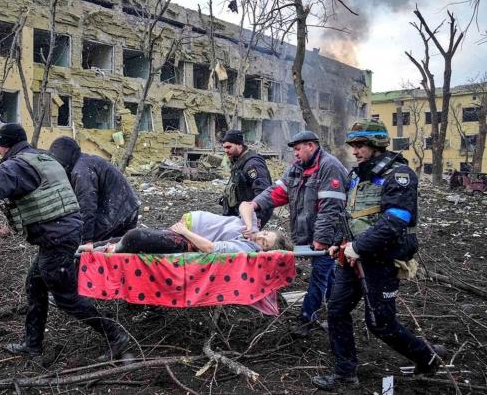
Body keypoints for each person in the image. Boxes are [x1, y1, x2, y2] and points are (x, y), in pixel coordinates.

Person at [0, 124, 128, 361]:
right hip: (61, 233)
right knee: (35, 285)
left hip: (57, 237)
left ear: (7, 146)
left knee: (66, 297)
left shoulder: (17, 167)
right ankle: (32, 345)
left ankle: (115, 335)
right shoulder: (42, 158)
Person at [312, 119, 446, 390]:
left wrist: (358, 247)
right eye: (353, 145)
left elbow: (396, 220)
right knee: (337, 310)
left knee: (380, 324)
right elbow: (350, 215)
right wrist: (340, 242)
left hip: (381, 259)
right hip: (352, 257)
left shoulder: (399, 175)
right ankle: (345, 374)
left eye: (360, 145)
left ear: (376, 144)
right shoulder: (357, 175)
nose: (355, 150)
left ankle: (428, 358)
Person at [240, 130, 348, 336]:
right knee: (328, 274)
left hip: (330, 234)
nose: (295, 154)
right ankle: (337, 313)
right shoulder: (297, 168)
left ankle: (306, 319)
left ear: (311, 146)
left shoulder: (329, 167)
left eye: (298, 149)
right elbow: (278, 191)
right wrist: (255, 204)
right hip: (309, 232)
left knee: (319, 275)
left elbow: (331, 207)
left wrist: (322, 239)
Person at [49, 136, 140, 249]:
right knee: (116, 251)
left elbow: (87, 207)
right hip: (127, 207)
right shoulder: (85, 162)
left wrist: (86, 241)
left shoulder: (81, 171)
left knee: (85, 247)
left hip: (118, 211)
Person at [99, 205, 289, 254]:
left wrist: (184, 231)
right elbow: (246, 205)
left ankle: (106, 251)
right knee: (131, 236)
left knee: (135, 236)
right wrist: (248, 225)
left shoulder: (246, 248)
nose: (260, 237)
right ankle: (90, 246)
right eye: (264, 234)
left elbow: (209, 248)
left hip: (187, 238)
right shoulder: (252, 229)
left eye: (264, 243)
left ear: (263, 251)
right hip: (184, 228)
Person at [219, 130, 273, 228]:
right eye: (224, 148)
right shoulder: (239, 162)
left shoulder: (252, 164)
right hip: (241, 215)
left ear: (239, 145)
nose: (226, 151)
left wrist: (256, 219)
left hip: (251, 216)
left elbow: (263, 192)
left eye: (229, 147)